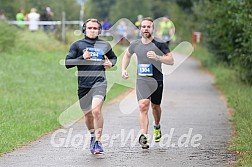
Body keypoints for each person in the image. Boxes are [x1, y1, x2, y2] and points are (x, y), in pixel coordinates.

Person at [65, 18, 117, 154]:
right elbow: (67, 63)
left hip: (100, 81)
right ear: (84, 29)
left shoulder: (104, 44)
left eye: (95, 28)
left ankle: (98, 142)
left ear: (99, 30)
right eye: (90, 28)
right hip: (83, 85)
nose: (93, 30)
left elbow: (113, 57)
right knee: (88, 115)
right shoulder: (77, 45)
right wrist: (82, 57)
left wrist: (111, 63)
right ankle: (93, 136)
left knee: (96, 111)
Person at [121, 17, 174, 149]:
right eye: (143, 27)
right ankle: (144, 136)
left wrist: (157, 57)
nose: (145, 29)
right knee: (143, 106)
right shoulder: (135, 44)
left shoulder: (160, 43)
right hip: (142, 80)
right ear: (140, 29)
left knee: (155, 107)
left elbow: (171, 60)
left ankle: (157, 125)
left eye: (148, 27)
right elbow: (127, 55)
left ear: (152, 28)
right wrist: (123, 69)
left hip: (156, 80)